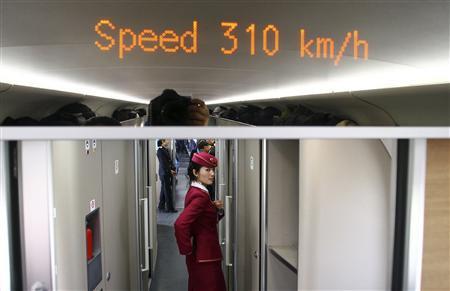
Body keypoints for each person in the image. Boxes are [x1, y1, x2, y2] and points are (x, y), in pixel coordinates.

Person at [174, 152, 226, 291]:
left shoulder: (195, 190)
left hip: (201, 255)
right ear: (195, 172)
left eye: (213, 170)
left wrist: (216, 210)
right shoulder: (200, 196)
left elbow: (203, 221)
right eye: (207, 170)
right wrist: (187, 250)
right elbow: (180, 224)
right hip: (205, 256)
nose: (212, 174)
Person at [157, 139, 178, 212]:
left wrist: (172, 169)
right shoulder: (160, 151)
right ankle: (170, 208)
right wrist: (170, 171)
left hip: (166, 172)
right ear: (162, 142)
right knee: (167, 191)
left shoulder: (165, 150)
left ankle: (161, 206)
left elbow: (169, 161)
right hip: (164, 173)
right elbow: (163, 163)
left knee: (164, 189)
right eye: (166, 140)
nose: (168, 141)